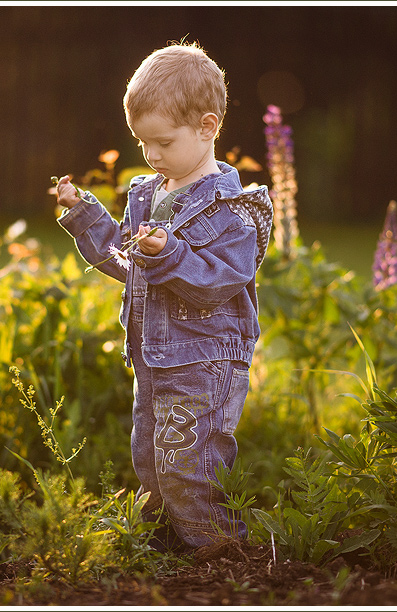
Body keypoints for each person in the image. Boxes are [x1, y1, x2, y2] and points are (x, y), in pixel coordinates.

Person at [55, 41, 273, 552]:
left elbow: (220, 281)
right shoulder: (148, 194)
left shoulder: (235, 209)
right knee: (152, 463)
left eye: (163, 142)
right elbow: (128, 263)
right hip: (153, 359)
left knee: (188, 468)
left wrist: (169, 252)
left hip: (205, 360)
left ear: (208, 126)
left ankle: (223, 557)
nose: (152, 155)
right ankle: (169, 554)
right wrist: (85, 214)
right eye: (142, 144)